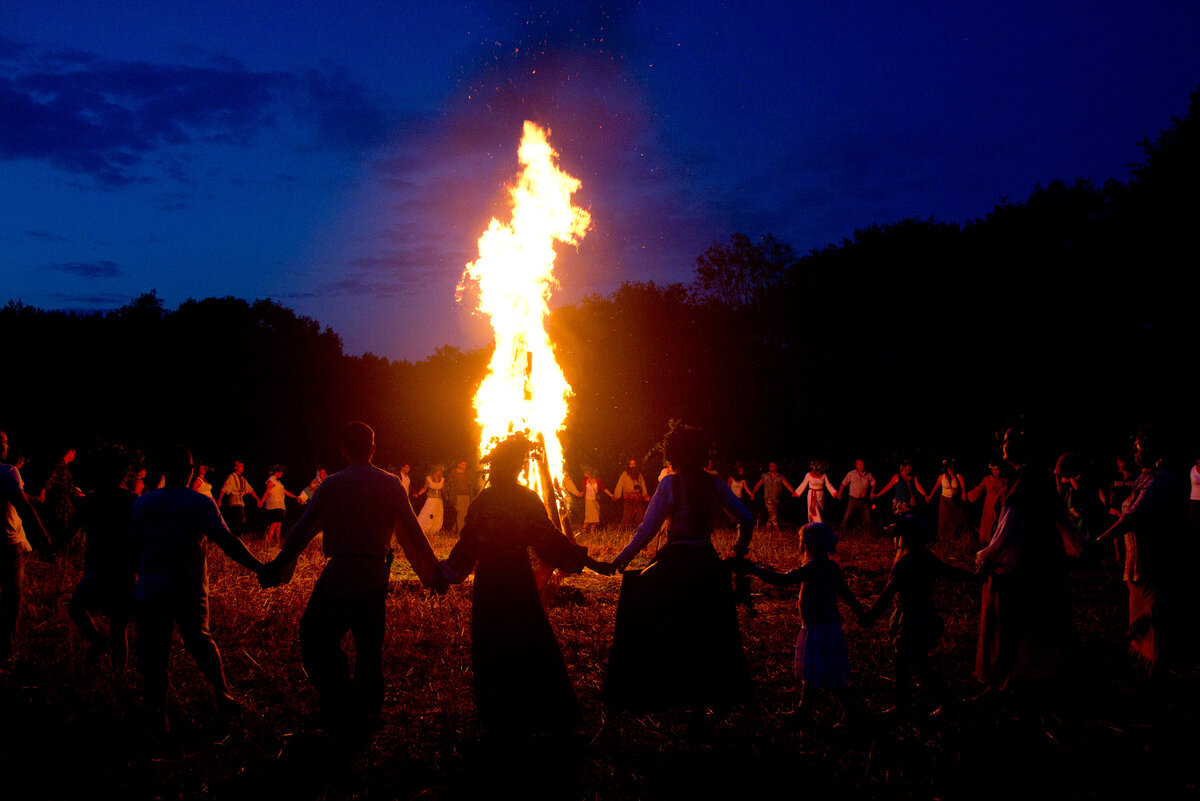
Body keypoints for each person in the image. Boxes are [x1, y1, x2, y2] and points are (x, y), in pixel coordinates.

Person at [261, 422, 446, 730]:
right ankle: (366, 710)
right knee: (369, 647)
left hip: (341, 573)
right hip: (374, 574)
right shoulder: (390, 485)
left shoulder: (332, 485)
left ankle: (339, 697)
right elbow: (413, 534)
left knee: (314, 635)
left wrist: (277, 566)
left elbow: (301, 530)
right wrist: (435, 574)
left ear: (343, 450)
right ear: (373, 449)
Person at [440, 435, 609, 740]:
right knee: (528, 638)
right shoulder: (524, 500)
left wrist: (442, 575)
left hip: (492, 582)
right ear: (516, 467)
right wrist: (586, 561)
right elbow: (549, 541)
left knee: (494, 644)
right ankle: (536, 708)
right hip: (516, 581)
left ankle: (499, 713)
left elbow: (466, 551)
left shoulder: (484, 502)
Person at [602, 425, 753, 736]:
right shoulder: (714, 485)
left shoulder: (670, 484)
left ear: (674, 455)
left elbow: (646, 530)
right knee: (708, 636)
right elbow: (746, 519)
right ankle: (702, 708)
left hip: (678, 563)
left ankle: (651, 693)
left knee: (660, 621)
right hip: (707, 564)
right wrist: (738, 550)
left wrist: (621, 560)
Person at [132, 444, 265, 730]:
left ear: (164, 472)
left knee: (155, 653)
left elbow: (131, 547)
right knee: (201, 642)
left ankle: (159, 715)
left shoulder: (142, 503)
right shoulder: (199, 502)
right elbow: (227, 542)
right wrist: (260, 569)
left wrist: (134, 581)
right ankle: (222, 694)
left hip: (150, 591)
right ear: (190, 471)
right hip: (187, 590)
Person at [975, 429, 1074, 693]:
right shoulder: (1036, 475)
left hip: (1023, 559)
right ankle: (1035, 675)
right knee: (1039, 614)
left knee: (1007, 617)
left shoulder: (1026, 478)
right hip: (1043, 556)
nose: (1003, 446)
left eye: (1008, 441)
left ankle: (1003, 680)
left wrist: (989, 555)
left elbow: (1011, 523)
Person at [740, 522, 866, 720]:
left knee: (828, 674)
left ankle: (849, 712)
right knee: (812, 670)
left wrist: (756, 570)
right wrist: (861, 613)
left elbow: (783, 580)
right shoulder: (830, 567)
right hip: (825, 626)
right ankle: (805, 709)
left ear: (807, 545)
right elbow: (847, 594)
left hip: (819, 628)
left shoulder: (813, 567)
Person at [1094, 425, 1189, 672]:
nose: (1135, 455)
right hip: (1139, 555)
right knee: (1141, 605)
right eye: (1136, 449)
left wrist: (1101, 540)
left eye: (1140, 449)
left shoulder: (1164, 480)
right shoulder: (1146, 476)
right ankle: (1143, 653)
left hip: (1156, 555)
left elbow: (1134, 516)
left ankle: (1157, 659)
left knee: (1153, 608)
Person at [862, 516, 979, 714]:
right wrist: (974, 577)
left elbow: (888, 592)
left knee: (915, 662)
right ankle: (905, 703)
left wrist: (871, 616)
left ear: (904, 538)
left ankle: (942, 702)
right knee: (910, 660)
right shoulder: (924, 556)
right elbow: (949, 571)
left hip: (911, 619)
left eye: (898, 536)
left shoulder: (906, 562)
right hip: (923, 613)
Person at [62, 444, 138, 672]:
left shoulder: (92, 500)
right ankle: (118, 676)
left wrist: (53, 543)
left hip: (97, 568)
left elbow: (69, 531)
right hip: (124, 570)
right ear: (125, 473)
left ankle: (98, 640)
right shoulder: (134, 500)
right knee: (119, 625)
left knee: (77, 608)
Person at [1, 430, 52, 663]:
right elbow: (23, 508)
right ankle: (6, 650)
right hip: (7, 544)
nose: (7, 447)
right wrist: (44, 539)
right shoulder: (8, 472)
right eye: (4, 442)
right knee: (13, 597)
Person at [925, 459, 969, 542]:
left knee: (955, 519)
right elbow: (936, 488)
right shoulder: (942, 477)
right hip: (944, 500)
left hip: (954, 500)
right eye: (949, 467)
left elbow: (963, 489)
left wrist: (964, 495)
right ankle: (942, 538)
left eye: (951, 467)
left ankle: (954, 538)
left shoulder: (958, 476)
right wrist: (929, 497)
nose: (950, 469)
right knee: (944, 519)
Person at [967, 461, 1008, 544]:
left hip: (1000, 504)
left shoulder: (1004, 480)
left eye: (998, 470)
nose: (997, 472)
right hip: (989, 503)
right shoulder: (987, 479)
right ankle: (985, 539)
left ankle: (996, 540)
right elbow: (979, 488)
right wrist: (968, 495)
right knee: (988, 521)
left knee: (998, 522)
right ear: (991, 470)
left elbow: (1007, 492)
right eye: (995, 470)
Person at [565, 465, 611, 534]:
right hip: (588, 500)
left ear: (589, 472)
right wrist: (577, 493)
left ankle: (591, 531)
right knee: (591, 516)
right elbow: (583, 491)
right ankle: (584, 528)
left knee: (596, 516)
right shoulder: (584, 481)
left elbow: (604, 488)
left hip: (595, 500)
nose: (584, 474)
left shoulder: (597, 480)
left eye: (585, 472)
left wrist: (611, 495)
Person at [217, 460, 258, 537]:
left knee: (241, 522)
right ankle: (235, 539)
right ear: (235, 467)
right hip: (233, 502)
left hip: (239, 503)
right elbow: (224, 489)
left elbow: (250, 489)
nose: (242, 468)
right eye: (240, 466)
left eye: (242, 466)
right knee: (236, 523)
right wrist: (219, 500)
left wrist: (258, 500)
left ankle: (237, 538)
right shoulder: (232, 477)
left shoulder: (242, 479)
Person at [259, 464, 297, 547]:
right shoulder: (270, 480)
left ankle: (277, 542)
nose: (282, 474)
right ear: (277, 472)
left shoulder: (278, 482)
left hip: (280, 505)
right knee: (274, 524)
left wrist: (296, 497)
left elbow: (285, 492)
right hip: (273, 505)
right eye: (281, 472)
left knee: (279, 524)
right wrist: (261, 502)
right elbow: (267, 492)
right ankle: (269, 543)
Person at [752, 461, 795, 532]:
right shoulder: (765, 475)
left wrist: (793, 492)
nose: (771, 467)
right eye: (770, 466)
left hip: (777, 497)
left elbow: (786, 484)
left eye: (773, 466)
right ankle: (776, 527)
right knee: (772, 511)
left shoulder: (780, 477)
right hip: (767, 496)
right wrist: (753, 493)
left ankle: (767, 527)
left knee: (772, 512)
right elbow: (758, 484)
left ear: (776, 467)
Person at [838, 459, 876, 535]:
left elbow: (874, 483)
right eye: (860, 464)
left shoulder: (868, 475)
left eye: (863, 464)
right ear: (856, 465)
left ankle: (867, 534)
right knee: (847, 517)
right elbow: (843, 483)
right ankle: (841, 532)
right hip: (853, 500)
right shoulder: (851, 474)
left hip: (864, 501)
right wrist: (839, 493)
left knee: (867, 519)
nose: (862, 466)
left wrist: (872, 491)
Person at [794, 460, 838, 524]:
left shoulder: (823, 475)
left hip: (820, 496)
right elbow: (803, 484)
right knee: (814, 512)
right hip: (811, 495)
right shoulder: (808, 475)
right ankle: (818, 525)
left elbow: (828, 484)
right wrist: (797, 493)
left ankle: (816, 527)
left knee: (821, 512)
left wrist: (834, 493)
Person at [612, 459, 650, 528]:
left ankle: (641, 530)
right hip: (628, 498)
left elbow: (643, 485)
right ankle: (623, 530)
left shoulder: (639, 475)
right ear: (628, 465)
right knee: (627, 515)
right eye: (631, 464)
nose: (633, 465)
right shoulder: (624, 474)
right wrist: (616, 495)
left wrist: (645, 494)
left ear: (636, 465)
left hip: (638, 498)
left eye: (634, 464)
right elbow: (620, 484)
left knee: (640, 516)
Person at [416, 464, 445, 537]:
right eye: (437, 471)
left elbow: (443, 490)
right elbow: (424, 488)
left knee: (437, 516)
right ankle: (422, 529)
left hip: (439, 501)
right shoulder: (428, 478)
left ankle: (434, 531)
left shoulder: (442, 479)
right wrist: (418, 494)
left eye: (440, 471)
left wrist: (447, 496)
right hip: (431, 500)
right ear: (434, 471)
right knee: (428, 514)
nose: (438, 472)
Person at [446, 460, 474, 534]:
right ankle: (461, 531)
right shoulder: (453, 473)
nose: (464, 466)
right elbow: (449, 484)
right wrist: (447, 494)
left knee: (465, 513)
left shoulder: (467, 473)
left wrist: (472, 495)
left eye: (465, 464)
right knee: (460, 513)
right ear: (458, 465)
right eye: (463, 464)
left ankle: (458, 529)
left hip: (467, 495)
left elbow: (471, 484)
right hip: (457, 495)